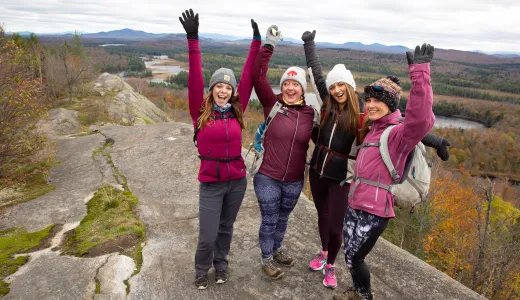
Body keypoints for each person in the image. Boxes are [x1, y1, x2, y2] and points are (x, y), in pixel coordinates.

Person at [333, 43, 436, 300]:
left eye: (378, 100)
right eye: (368, 100)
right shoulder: (374, 128)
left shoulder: (397, 135)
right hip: (356, 203)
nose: (371, 105)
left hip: (375, 211)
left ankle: (364, 295)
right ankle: (357, 291)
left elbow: (420, 119)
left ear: (390, 104)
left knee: (356, 258)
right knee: (349, 254)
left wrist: (420, 74)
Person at [179, 8, 261, 289]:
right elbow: (194, 78)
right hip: (212, 183)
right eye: (218, 86)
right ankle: (201, 270)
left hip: (236, 181)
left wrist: (256, 44)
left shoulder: (238, 111)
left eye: (228, 87)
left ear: (233, 91)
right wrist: (193, 40)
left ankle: (221, 265)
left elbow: (249, 76)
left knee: (226, 229)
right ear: (212, 88)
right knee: (207, 234)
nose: (223, 91)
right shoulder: (200, 112)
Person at [251, 25, 318, 280]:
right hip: (267, 174)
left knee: (283, 218)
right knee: (269, 218)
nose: (290, 88)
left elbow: (322, 139)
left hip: (294, 179)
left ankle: (277, 248)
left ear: (303, 89)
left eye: (295, 84)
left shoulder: (310, 114)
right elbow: (258, 77)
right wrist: (268, 45)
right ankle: (266, 259)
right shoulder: (272, 103)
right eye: (287, 84)